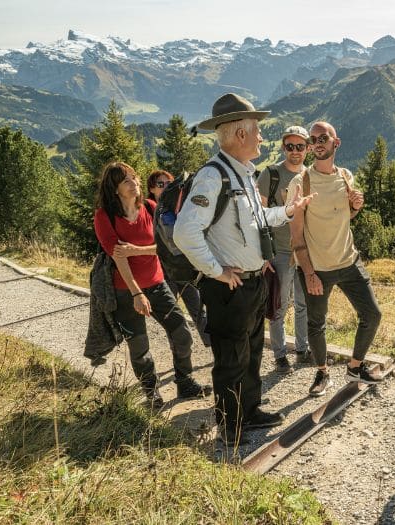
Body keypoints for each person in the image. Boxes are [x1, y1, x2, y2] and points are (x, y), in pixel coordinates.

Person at [174, 93, 314, 447]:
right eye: (258, 132)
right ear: (240, 135)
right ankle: (230, 426)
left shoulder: (243, 175)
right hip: (229, 288)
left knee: (251, 353)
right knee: (231, 359)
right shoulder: (212, 177)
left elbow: (256, 220)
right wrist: (216, 270)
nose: (262, 139)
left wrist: (287, 211)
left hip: (252, 284)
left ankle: (249, 412)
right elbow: (184, 232)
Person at [93, 161, 212, 409]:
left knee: (181, 332)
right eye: (126, 180)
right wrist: (137, 293)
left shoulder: (151, 207)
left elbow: (166, 245)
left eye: (134, 177)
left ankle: (185, 381)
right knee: (139, 346)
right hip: (126, 290)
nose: (134, 183)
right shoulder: (105, 217)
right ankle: (151, 392)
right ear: (115, 189)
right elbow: (118, 257)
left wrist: (137, 249)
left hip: (157, 284)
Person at [288, 121, 383, 398]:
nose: (317, 143)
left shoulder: (345, 176)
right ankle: (322, 372)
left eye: (322, 138)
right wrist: (308, 273)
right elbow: (296, 236)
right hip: (317, 269)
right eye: (313, 139)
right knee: (316, 323)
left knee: (372, 314)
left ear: (335, 142)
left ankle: (355, 367)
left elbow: (346, 217)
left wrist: (355, 207)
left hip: (349, 261)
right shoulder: (300, 182)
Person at [256, 126, 311, 373]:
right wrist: (263, 256)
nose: (295, 151)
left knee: (303, 304)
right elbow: (258, 217)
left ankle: (302, 350)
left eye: (300, 146)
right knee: (279, 305)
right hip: (279, 252)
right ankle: (280, 356)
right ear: (283, 147)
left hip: (305, 252)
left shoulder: (310, 176)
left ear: (308, 149)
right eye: (290, 146)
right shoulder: (271, 175)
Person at [146, 169, 211, 347]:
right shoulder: (151, 208)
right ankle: (180, 352)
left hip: (183, 267)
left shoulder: (179, 207)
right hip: (162, 270)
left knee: (198, 309)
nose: (166, 186)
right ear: (152, 189)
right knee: (173, 314)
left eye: (169, 183)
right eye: (161, 184)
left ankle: (211, 345)